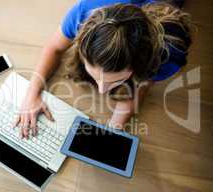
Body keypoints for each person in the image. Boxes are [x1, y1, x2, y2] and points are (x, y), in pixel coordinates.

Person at [14, 0, 193, 139]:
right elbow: (54, 47)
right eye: (95, 75)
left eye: (114, 81)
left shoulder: (169, 53)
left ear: (139, 65)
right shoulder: (85, 11)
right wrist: (31, 94)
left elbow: (142, 85)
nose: (102, 90)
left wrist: (114, 127)